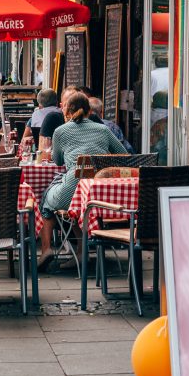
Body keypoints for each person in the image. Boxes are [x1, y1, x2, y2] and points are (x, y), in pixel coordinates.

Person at [38, 91, 128, 265]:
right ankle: (81, 252)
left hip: (72, 190)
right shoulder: (103, 129)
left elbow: (57, 161)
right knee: (78, 204)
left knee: (46, 201)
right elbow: (123, 155)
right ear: (89, 111)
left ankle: (46, 249)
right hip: (99, 195)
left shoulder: (60, 131)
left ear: (66, 111)